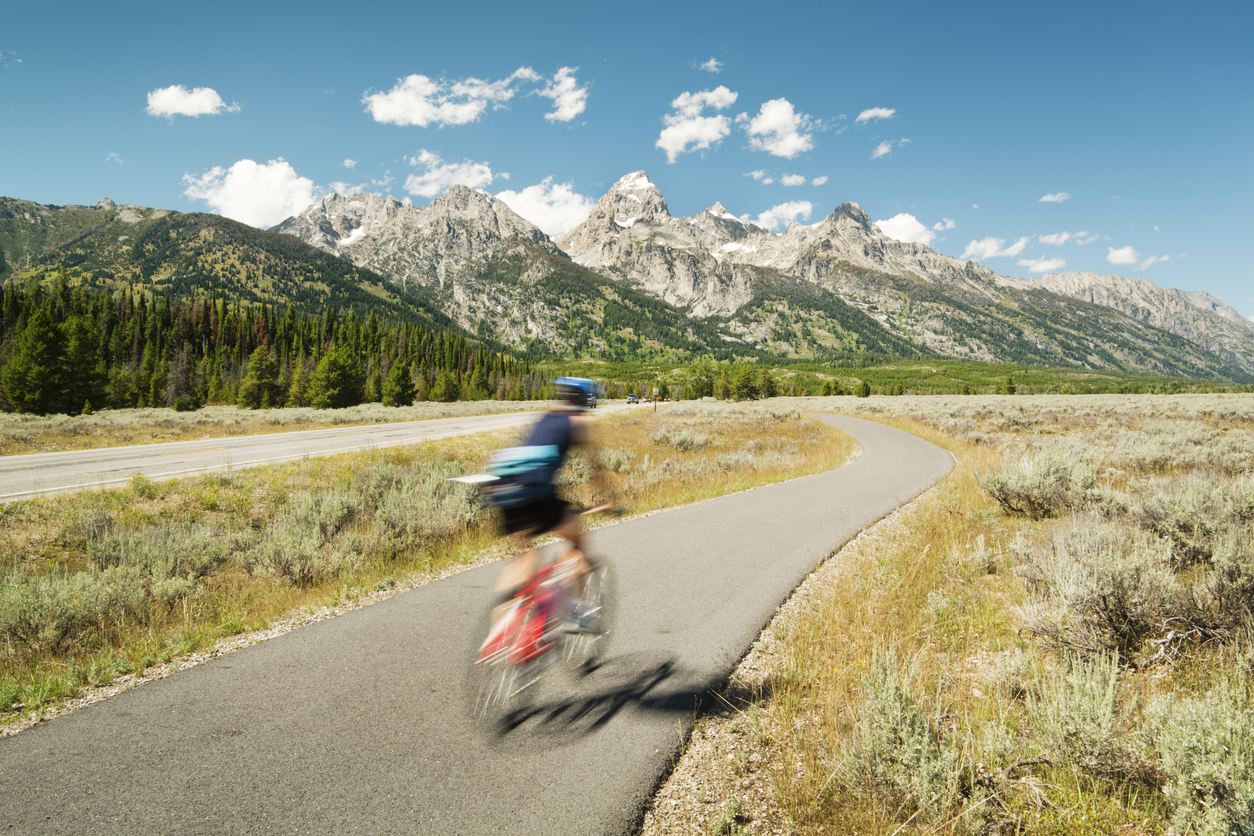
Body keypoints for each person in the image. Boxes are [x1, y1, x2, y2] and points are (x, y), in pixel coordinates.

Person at [487, 377, 613, 633]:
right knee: (576, 540)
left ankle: (498, 636)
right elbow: (595, 468)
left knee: (525, 558)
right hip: (535, 493)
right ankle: (567, 611)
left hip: (504, 489)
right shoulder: (577, 422)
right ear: (587, 400)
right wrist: (608, 499)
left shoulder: (546, 417)